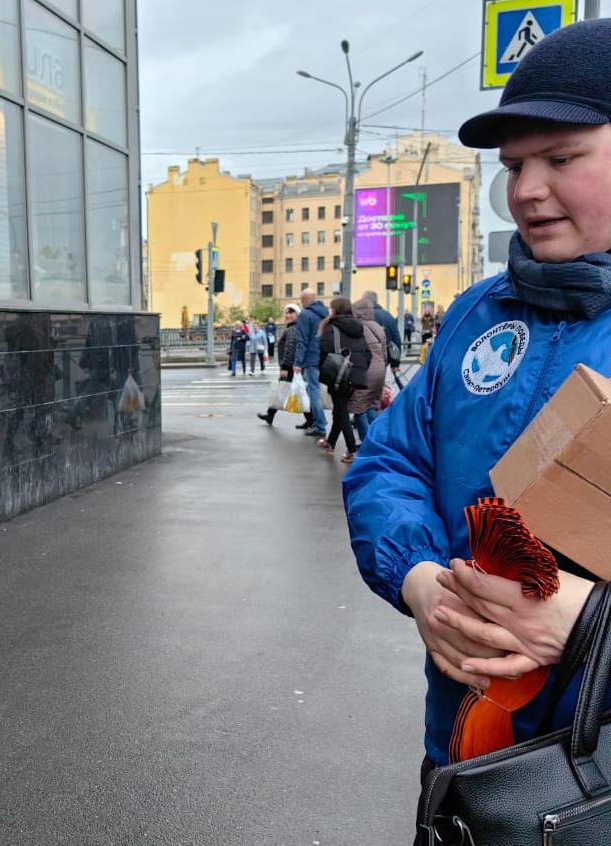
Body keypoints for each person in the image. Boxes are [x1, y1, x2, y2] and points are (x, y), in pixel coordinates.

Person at [342, 20, 611, 844]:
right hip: (472, 769)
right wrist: (418, 578)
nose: (526, 190)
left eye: (561, 159)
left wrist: (596, 629)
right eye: (514, 167)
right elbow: (388, 464)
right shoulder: (476, 314)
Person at [316, 297, 370, 463]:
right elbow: (368, 353)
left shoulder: (331, 328)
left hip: (338, 374)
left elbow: (324, 353)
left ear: (335, 310)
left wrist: (324, 372)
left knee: (342, 411)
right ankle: (330, 443)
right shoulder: (358, 327)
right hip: (355, 374)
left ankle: (352, 450)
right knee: (340, 410)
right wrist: (360, 370)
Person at [349, 298, 387, 443]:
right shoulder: (377, 326)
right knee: (371, 406)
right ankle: (382, 437)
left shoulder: (358, 327)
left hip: (367, 371)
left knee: (358, 408)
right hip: (380, 370)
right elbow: (385, 353)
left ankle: (367, 443)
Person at [292, 290, 329, 437]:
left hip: (311, 359)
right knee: (318, 392)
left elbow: (302, 340)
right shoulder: (325, 313)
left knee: (313, 393)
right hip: (325, 358)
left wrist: (298, 362)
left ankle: (320, 425)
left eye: (301, 299)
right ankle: (318, 423)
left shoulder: (305, 314)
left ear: (304, 299)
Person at [257, 305, 299, 425]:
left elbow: (290, 348)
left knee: (290, 391)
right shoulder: (294, 327)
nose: (288, 315)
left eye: (291, 313)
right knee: (292, 391)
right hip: (292, 365)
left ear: (297, 315)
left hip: (289, 367)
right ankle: (270, 415)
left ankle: (312, 420)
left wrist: (285, 367)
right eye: (286, 313)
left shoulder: (291, 328)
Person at [362, 290, 402, 378]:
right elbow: (396, 340)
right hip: (384, 359)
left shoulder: (362, 315)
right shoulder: (388, 315)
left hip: (366, 359)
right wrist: (395, 363)